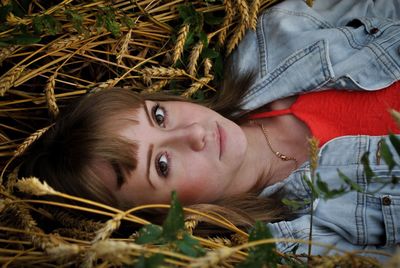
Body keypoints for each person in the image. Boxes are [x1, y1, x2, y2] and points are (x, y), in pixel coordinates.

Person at [18, 0, 400, 262]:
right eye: (163, 164)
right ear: (166, 215)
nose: (195, 135)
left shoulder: (270, 43)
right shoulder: (301, 238)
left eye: (160, 117)